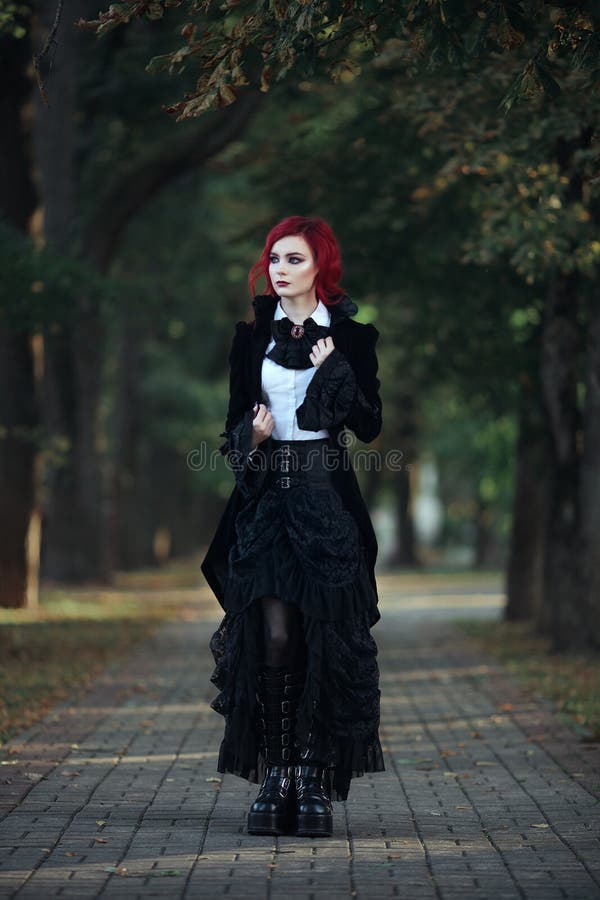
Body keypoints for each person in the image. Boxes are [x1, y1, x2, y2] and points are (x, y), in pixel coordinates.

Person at [200, 215, 384, 838]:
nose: (280, 269)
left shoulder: (354, 339)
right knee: (275, 635)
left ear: (321, 267)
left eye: (294, 259)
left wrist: (336, 372)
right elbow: (231, 426)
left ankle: (311, 777)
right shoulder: (250, 338)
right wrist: (248, 437)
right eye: (274, 258)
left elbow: (370, 424)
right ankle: (277, 773)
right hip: (268, 501)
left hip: (326, 500)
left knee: (319, 637)